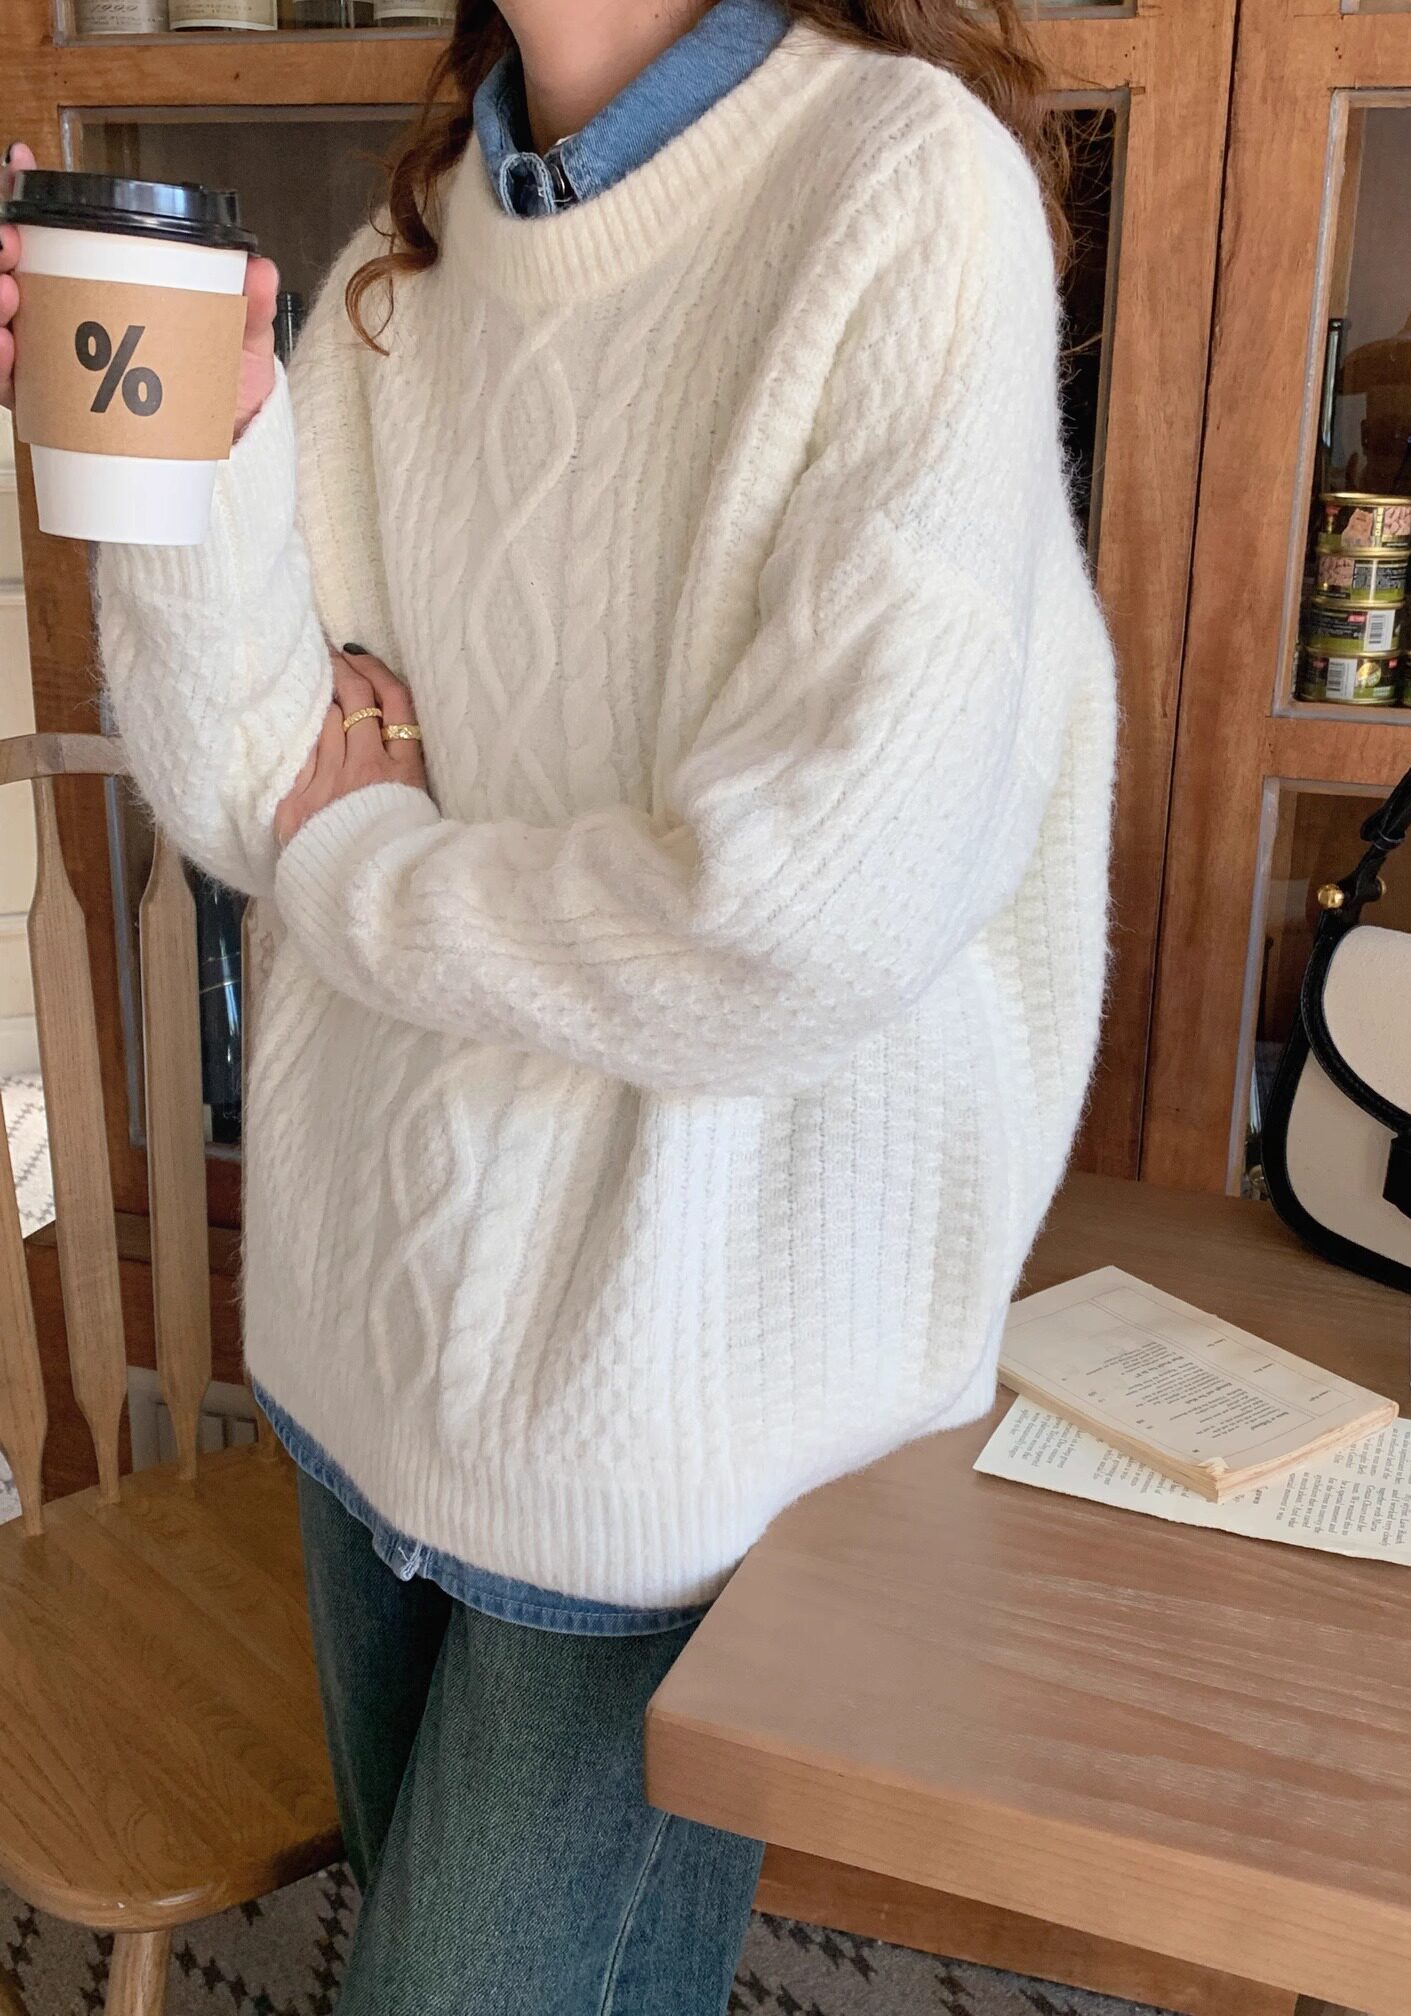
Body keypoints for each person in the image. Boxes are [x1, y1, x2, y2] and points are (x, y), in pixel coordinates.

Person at [0, 0, 1115, 2005]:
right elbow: (239, 785)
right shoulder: (415, 253)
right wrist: (206, 449)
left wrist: (370, 861)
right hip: (365, 1355)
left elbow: (796, 913)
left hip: (675, 1434)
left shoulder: (898, 187)